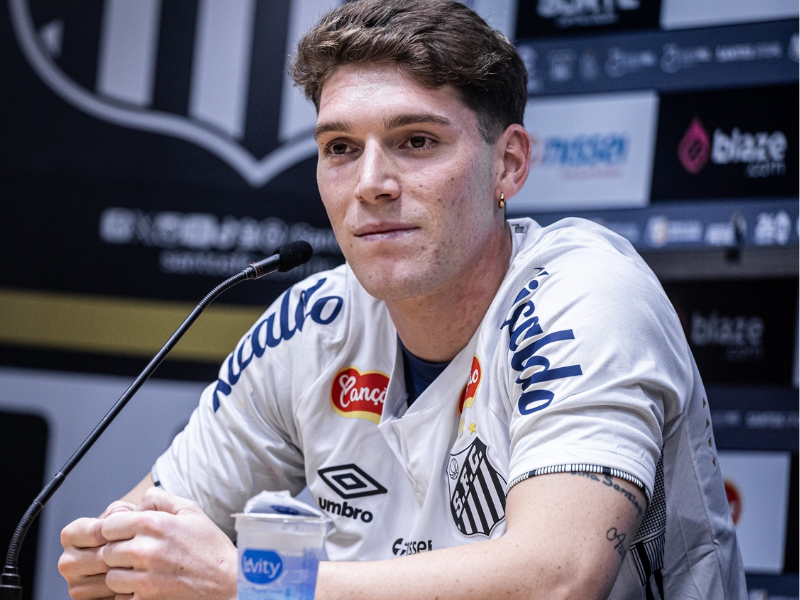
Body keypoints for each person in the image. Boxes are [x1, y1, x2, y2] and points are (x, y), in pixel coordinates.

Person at [58, 1, 746, 599]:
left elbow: (556, 579)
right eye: (339, 147)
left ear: (508, 164)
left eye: (415, 141)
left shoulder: (586, 292)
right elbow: (128, 551)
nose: (371, 183)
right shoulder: (311, 325)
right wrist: (128, 558)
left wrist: (253, 585)